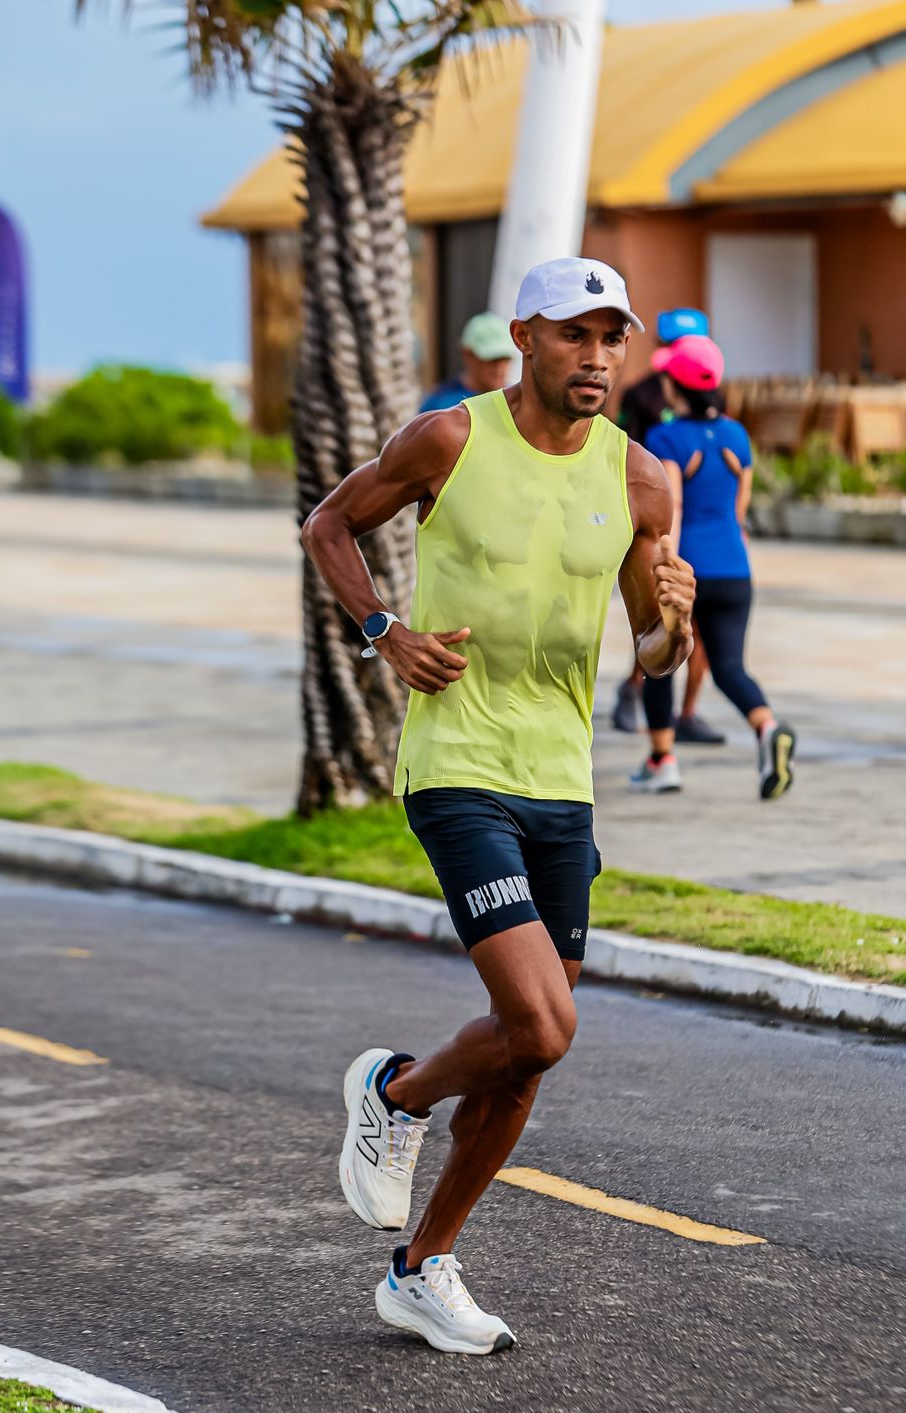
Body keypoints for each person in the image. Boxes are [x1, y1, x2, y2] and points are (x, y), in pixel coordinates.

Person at [302, 257, 695, 1355]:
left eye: (614, 337)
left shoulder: (641, 480)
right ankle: (395, 1093)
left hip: (558, 781)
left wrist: (674, 620)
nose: (598, 356)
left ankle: (421, 1266)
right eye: (576, 334)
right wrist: (386, 633)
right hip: (460, 764)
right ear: (524, 336)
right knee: (541, 1023)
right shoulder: (450, 439)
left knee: (531, 1048)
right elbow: (329, 524)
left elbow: (652, 658)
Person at [629, 333, 796, 800]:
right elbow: (740, 505)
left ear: (674, 386)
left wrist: (666, 563)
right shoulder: (736, 434)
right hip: (735, 568)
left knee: (658, 661)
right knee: (728, 668)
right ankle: (767, 728)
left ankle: (662, 761)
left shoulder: (665, 437)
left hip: (690, 568)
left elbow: (672, 504)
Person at [611, 307, 723, 746]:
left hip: (700, 525)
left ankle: (687, 712)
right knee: (655, 615)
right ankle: (634, 688)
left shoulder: (713, 394)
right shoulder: (640, 395)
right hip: (654, 524)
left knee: (695, 621)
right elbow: (623, 448)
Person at [418, 312, 514, 412]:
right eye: (491, 359)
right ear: (467, 355)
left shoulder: (517, 403)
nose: (499, 368)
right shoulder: (440, 403)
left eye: (505, 359)